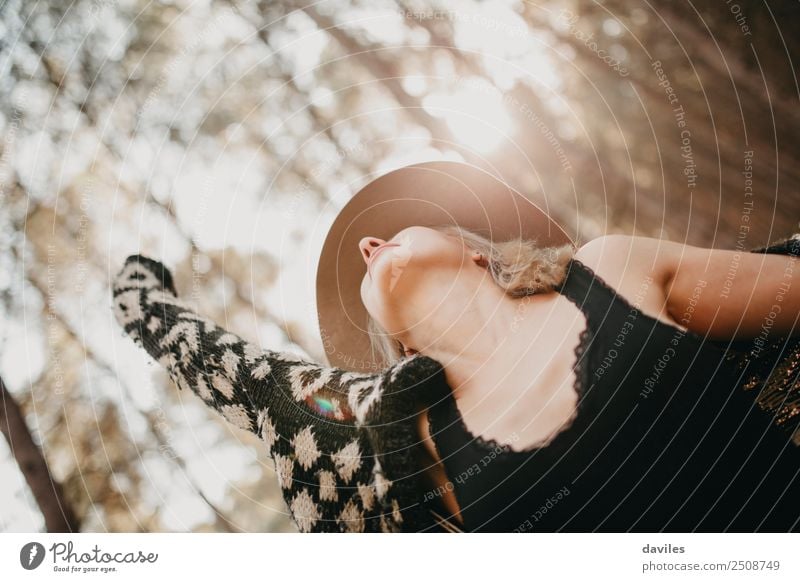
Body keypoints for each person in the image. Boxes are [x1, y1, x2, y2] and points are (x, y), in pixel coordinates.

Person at [112, 161, 800, 532]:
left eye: (392, 232)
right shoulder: (403, 440)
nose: (369, 244)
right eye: (366, 261)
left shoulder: (611, 270)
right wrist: (140, 295)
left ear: (474, 253)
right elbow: (241, 378)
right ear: (399, 342)